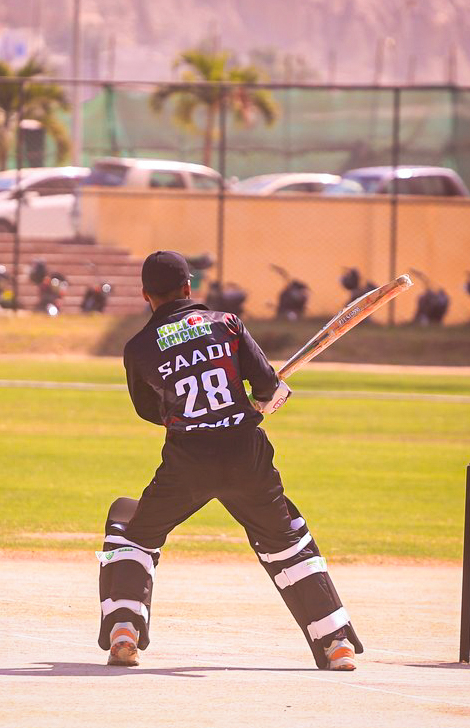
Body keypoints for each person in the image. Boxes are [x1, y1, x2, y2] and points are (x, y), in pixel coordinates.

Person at [97, 250, 362, 671]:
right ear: (189, 287)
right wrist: (263, 401)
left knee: (131, 529)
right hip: (246, 456)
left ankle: (124, 630)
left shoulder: (138, 347)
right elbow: (268, 387)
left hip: (187, 461)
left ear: (145, 294)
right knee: (287, 542)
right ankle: (336, 643)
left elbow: (150, 410)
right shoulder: (227, 324)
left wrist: (191, 412)